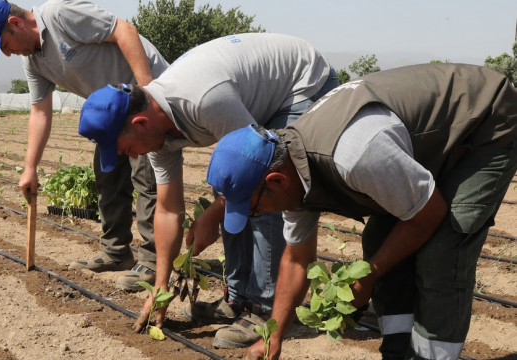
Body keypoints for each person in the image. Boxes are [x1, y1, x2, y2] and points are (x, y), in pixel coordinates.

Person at [206, 64, 517, 359]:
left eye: (254, 209)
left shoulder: (354, 155)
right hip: (422, 142)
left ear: (275, 181)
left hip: (485, 121)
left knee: (442, 253)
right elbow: (296, 259)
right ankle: (396, 353)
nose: (255, 216)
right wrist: (274, 336)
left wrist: (369, 275)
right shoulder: (290, 172)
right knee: (381, 239)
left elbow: (429, 213)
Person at [77, 32, 340, 348]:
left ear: (142, 123)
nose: (131, 156)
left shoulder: (204, 100)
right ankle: (239, 299)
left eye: (127, 148)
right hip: (256, 97)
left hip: (300, 83)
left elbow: (254, 168)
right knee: (229, 193)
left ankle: (266, 310)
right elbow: (167, 209)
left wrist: (212, 215)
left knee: (263, 193)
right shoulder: (155, 137)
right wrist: (160, 288)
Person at [0, 0, 169, 291]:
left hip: (143, 99)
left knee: (147, 180)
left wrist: (149, 92)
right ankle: (117, 252)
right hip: (111, 112)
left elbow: (125, 31)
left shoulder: (61, 14)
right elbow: (40, 112)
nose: (7, 53)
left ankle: (154, 261)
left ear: (16, 24)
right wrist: (30, 167)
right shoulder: (33, 61)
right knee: (107, 176)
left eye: (4, 44)